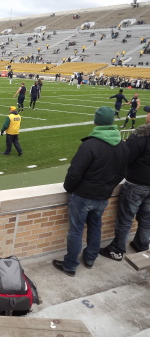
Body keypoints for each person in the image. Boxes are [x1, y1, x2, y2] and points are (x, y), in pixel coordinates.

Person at [53, 107, 129, 277]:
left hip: (83, 195)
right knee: (95, 227)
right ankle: (90, 258)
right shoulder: (122, 145)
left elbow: (75, 173)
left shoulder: (90, 145)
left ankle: (70, 264)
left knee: (76, 230)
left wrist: (69, 188)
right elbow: (123, 173)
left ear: (97, 122)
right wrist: (107, 187)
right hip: (102, 195)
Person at [100, 122, 150, 260]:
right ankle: (142, 245)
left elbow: (127, 157)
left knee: (125, 219)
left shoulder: (141, 135)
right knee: (146, 219)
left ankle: (117, 250)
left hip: (136, 183)